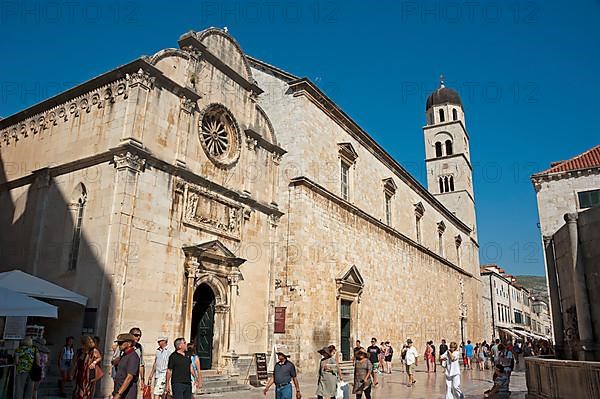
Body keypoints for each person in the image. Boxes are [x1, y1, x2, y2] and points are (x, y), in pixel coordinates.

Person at [112, 333, 140, 399]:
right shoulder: (124, 355)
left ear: (129, 343)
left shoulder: (133, 357)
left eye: (121, 343)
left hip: (128, 394)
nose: (119, 345)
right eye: (118, 343)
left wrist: (119, 394)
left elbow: (129, 377)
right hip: (119, 392)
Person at [129, 327, 145, 392]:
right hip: (123, 377)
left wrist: (142, 380)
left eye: (139, 336)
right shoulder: (124, 345)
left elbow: (141, 365)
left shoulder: (140, 347)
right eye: (136, 335)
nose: (138, 337)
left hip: (134, 378)